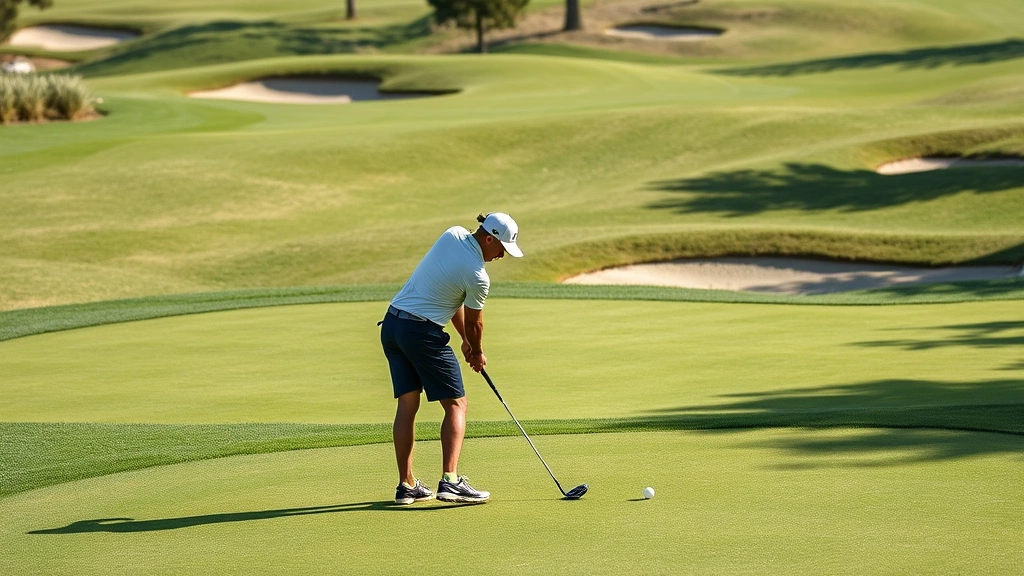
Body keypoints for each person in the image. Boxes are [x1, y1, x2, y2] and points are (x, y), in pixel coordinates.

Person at [380, 212, 523, 504]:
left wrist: (465, 341)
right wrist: (477, 351)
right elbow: (475, 322)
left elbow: (451, 294)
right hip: (421, 333)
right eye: (502, 248)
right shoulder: (478, 276)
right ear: (489, 239)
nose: (502, 256)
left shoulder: (453, 234)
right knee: (457, 404)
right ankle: (451, 481)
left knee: (407, 404)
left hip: (393, 326)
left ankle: (406, 485)